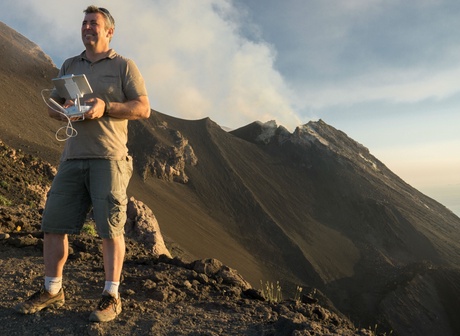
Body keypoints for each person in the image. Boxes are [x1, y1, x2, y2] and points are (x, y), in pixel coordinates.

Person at [15, 5, 150, 322]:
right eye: (85, 22)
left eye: (94, 23)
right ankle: (52, 290)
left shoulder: (123, 66)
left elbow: (143, 108)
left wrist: (106, 107)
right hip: (72, 157)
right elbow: (55, 105)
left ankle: (111, 296)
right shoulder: (70, 65)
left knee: (109, 229)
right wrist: (62, 111)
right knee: (53, 224)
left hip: (109, 157)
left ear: (109, 31)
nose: (88, 27)